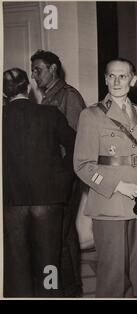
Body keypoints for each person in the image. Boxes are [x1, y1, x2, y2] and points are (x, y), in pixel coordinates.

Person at [73, 58, 137, 297]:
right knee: (113, 274)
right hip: (110, 203)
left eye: (123, 76)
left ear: (133, 80)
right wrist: (117, 185)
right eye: (111, 76)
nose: (117, 81)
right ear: (105, 79)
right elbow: (82, 165)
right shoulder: (91, 115)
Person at [3, 68, 76, 297]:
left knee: (16, 264)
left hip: (11, 200)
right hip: (48, 199)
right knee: (49, 261)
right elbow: (76, 147)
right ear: (28, 87)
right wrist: (63, 179)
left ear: (4, 93)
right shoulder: (50, 114)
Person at [31, 49, 86, 297]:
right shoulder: (47, 98)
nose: (34, 75)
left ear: (53, 69)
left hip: (66, 177)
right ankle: (66, 286)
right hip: (54, 178)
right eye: (32, 70)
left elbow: (77, 143)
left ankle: (72, 289)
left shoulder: (69, 96)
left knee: (62, 233)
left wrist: (64, 177)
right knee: (61, 233)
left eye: (38, 69)